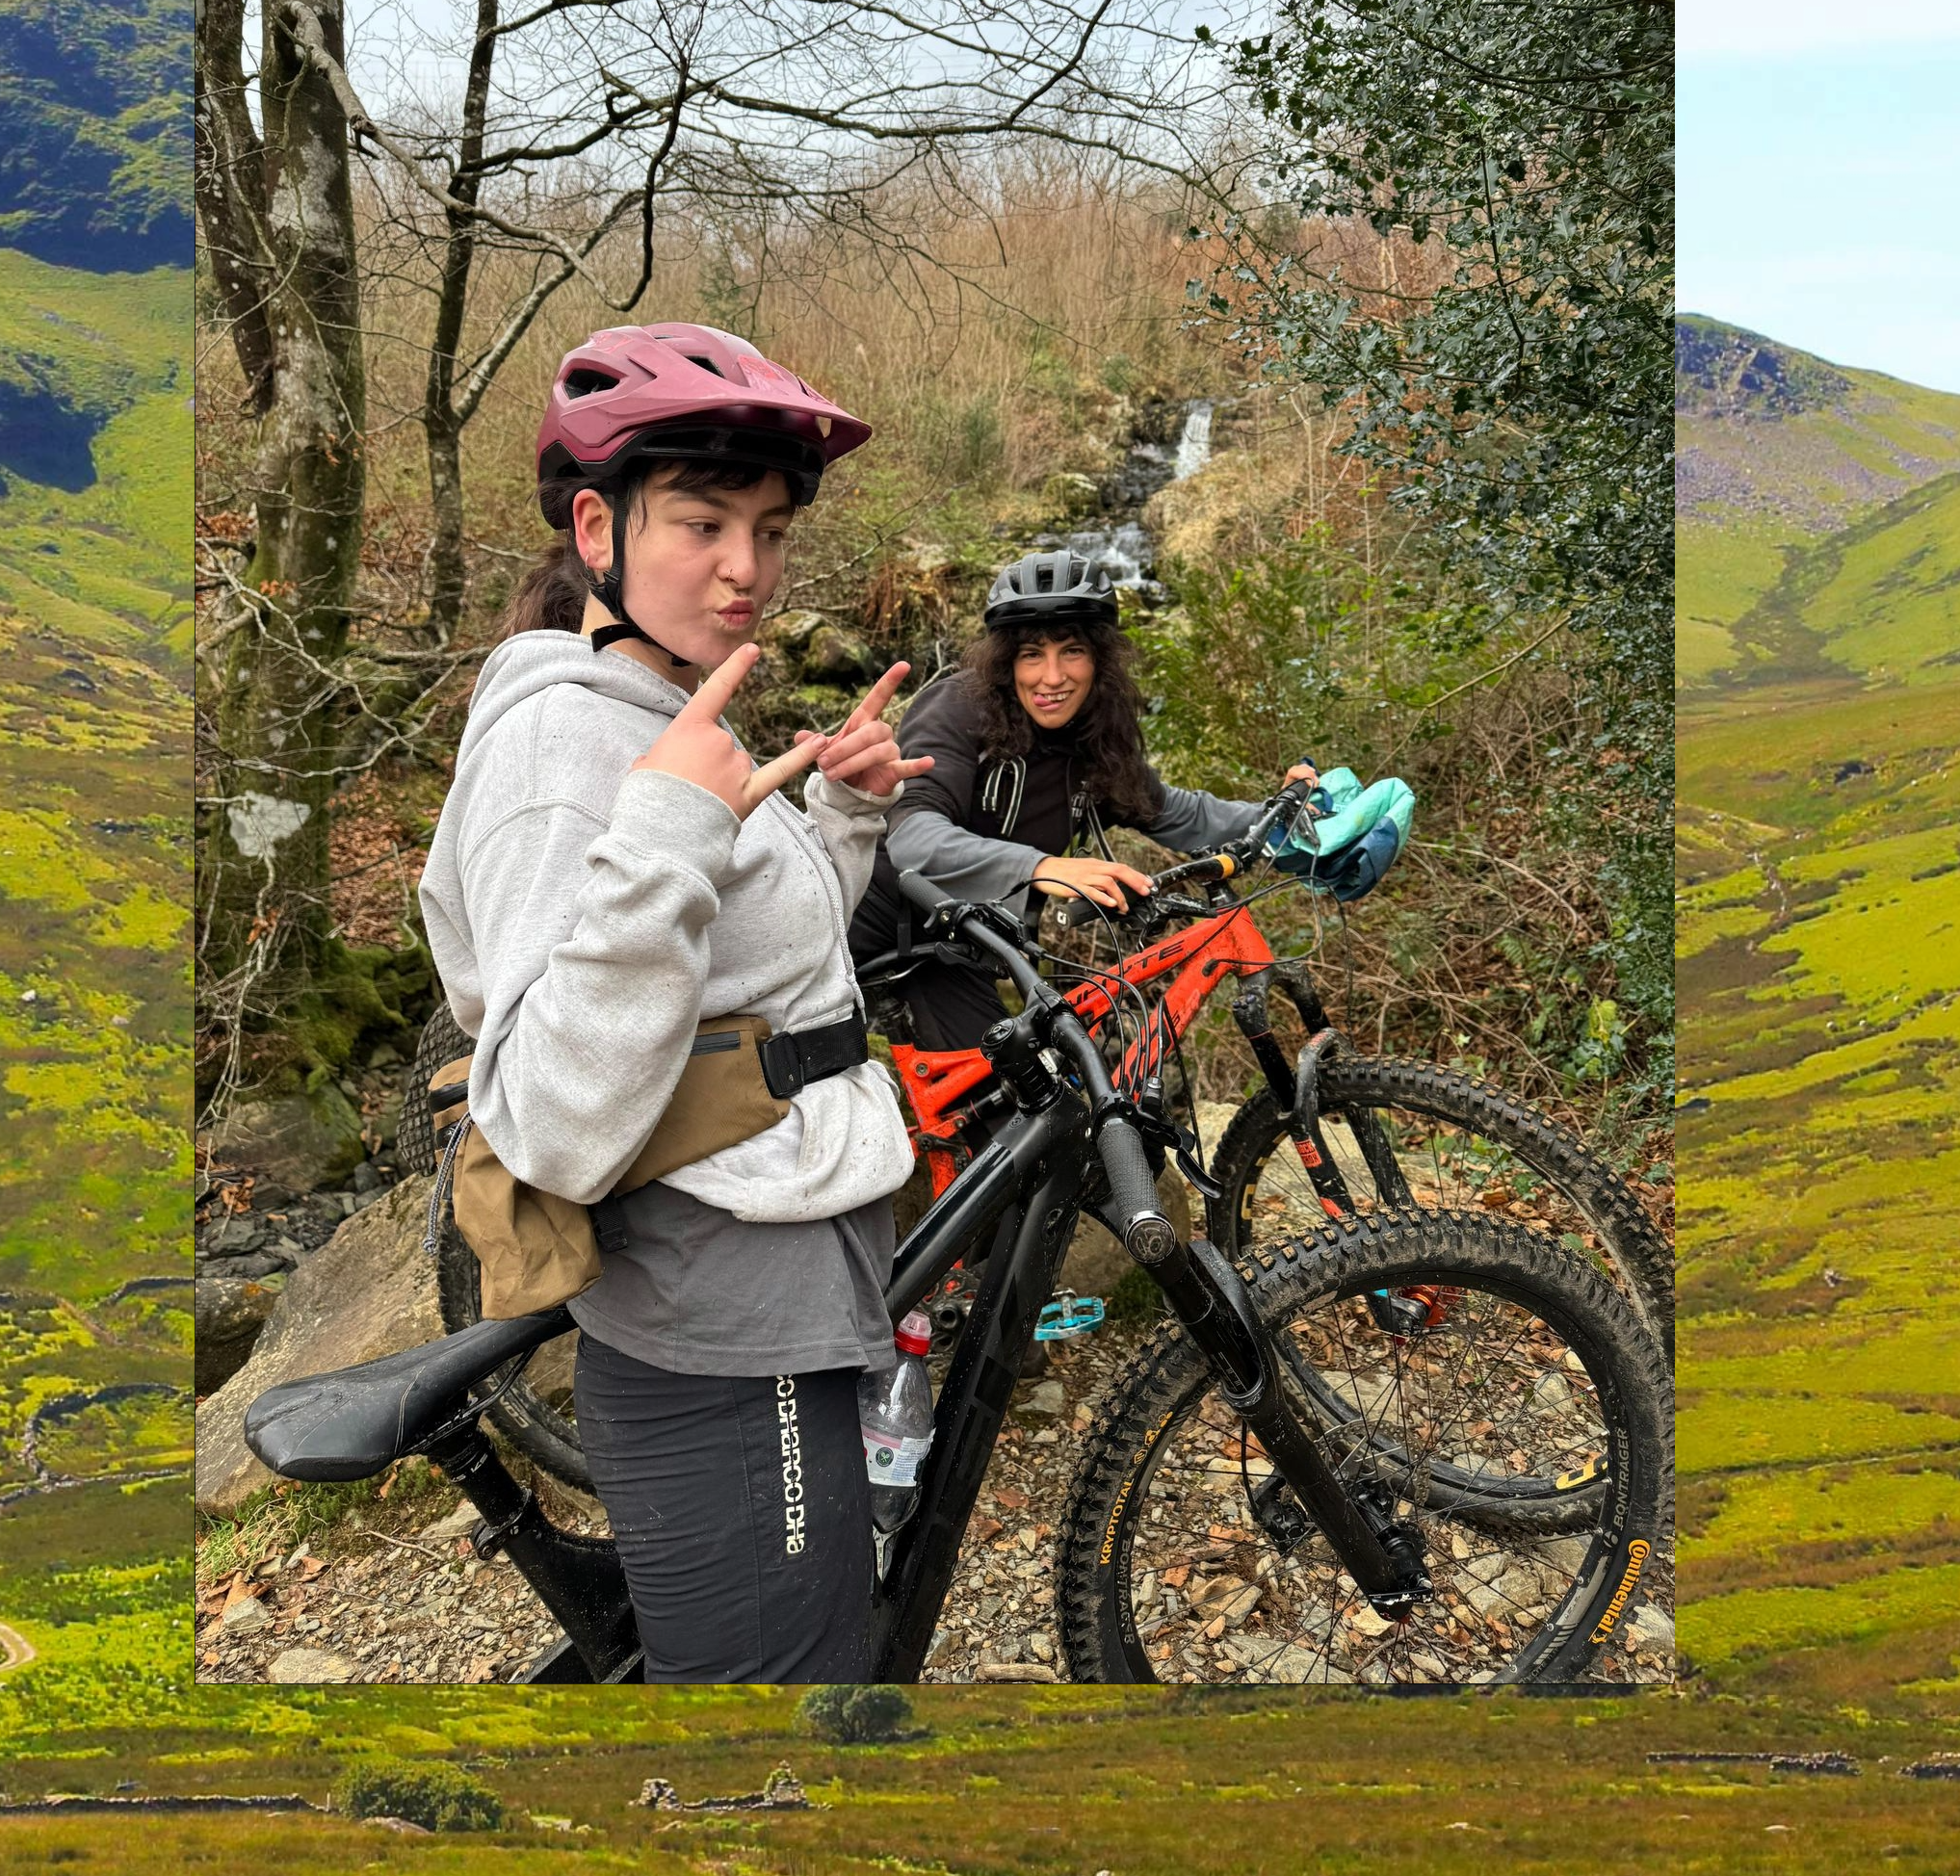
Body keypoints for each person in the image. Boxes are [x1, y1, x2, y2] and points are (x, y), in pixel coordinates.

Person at [415, 320, 932, 1683]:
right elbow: (544, 1117)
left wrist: (842, 815)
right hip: (716, 1323)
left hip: (769, 1272)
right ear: (598, 526)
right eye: (703, 522)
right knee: (782, 1715)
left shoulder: (652, 699)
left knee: (807, 1660)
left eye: (769, 529)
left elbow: (730, 965)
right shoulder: (562, 747)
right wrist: (662, 834)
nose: (747, 568)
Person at [846, 547, 1320, 1055]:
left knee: (1019, 1108)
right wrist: (1043, 867)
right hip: (870, 923)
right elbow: (914, 837)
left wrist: (1283, 812)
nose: (1053, 677)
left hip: (959, 946)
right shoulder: (958, 707)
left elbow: (1181, 814)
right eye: (1032, 654)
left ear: (1098, 658)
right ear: (1007, 661)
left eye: (1071, 651)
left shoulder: (1093, 740)